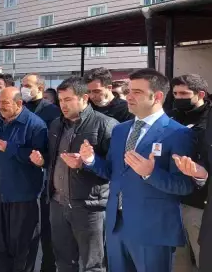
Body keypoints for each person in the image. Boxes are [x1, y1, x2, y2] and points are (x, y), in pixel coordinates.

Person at [81, 68, 195, 272]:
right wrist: (90, 160)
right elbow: (113, 172)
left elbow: (185, 185)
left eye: (137, 92)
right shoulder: (120, 130)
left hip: (152, 230)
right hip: (117, 226)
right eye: (129, 90)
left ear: (158, 96)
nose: (128, 97)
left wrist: (150, 173)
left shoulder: (177, 134)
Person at [46, 76, 117, 272]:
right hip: (58, 204)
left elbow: (114, 171)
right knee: (63, 260)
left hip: (89, 208)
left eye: (68, 100)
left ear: (84, 98)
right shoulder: (56, 124)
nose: (63, 105)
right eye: (60, 100)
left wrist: (87, 163)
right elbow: (52, 159)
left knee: (92, 264)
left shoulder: (106, 125)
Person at [0, 87, 47, 272]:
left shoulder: (35, 125)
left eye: (5, 103)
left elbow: (40, 158)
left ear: (19, 103)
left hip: (22, 195)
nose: (0, 106)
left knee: (22, 247)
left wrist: (9, 148)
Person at [169, 74, 210, 272]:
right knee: (179, 262)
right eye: (175, 93)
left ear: (200, 94)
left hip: (199, 203)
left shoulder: (208, 119)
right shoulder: (172, 116)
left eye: (184, 93)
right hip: (173, 199)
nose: (178, 98)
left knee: (203, 258)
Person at [20, 73, 60, 272]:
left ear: (41, 87)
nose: (23, 88)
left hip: (44, 172)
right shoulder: (22, 108)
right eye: (22, 85)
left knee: (45, 227)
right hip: (23, 172)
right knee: (27, 227)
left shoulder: (52, 111)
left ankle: (48, 265)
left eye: (27, 85)